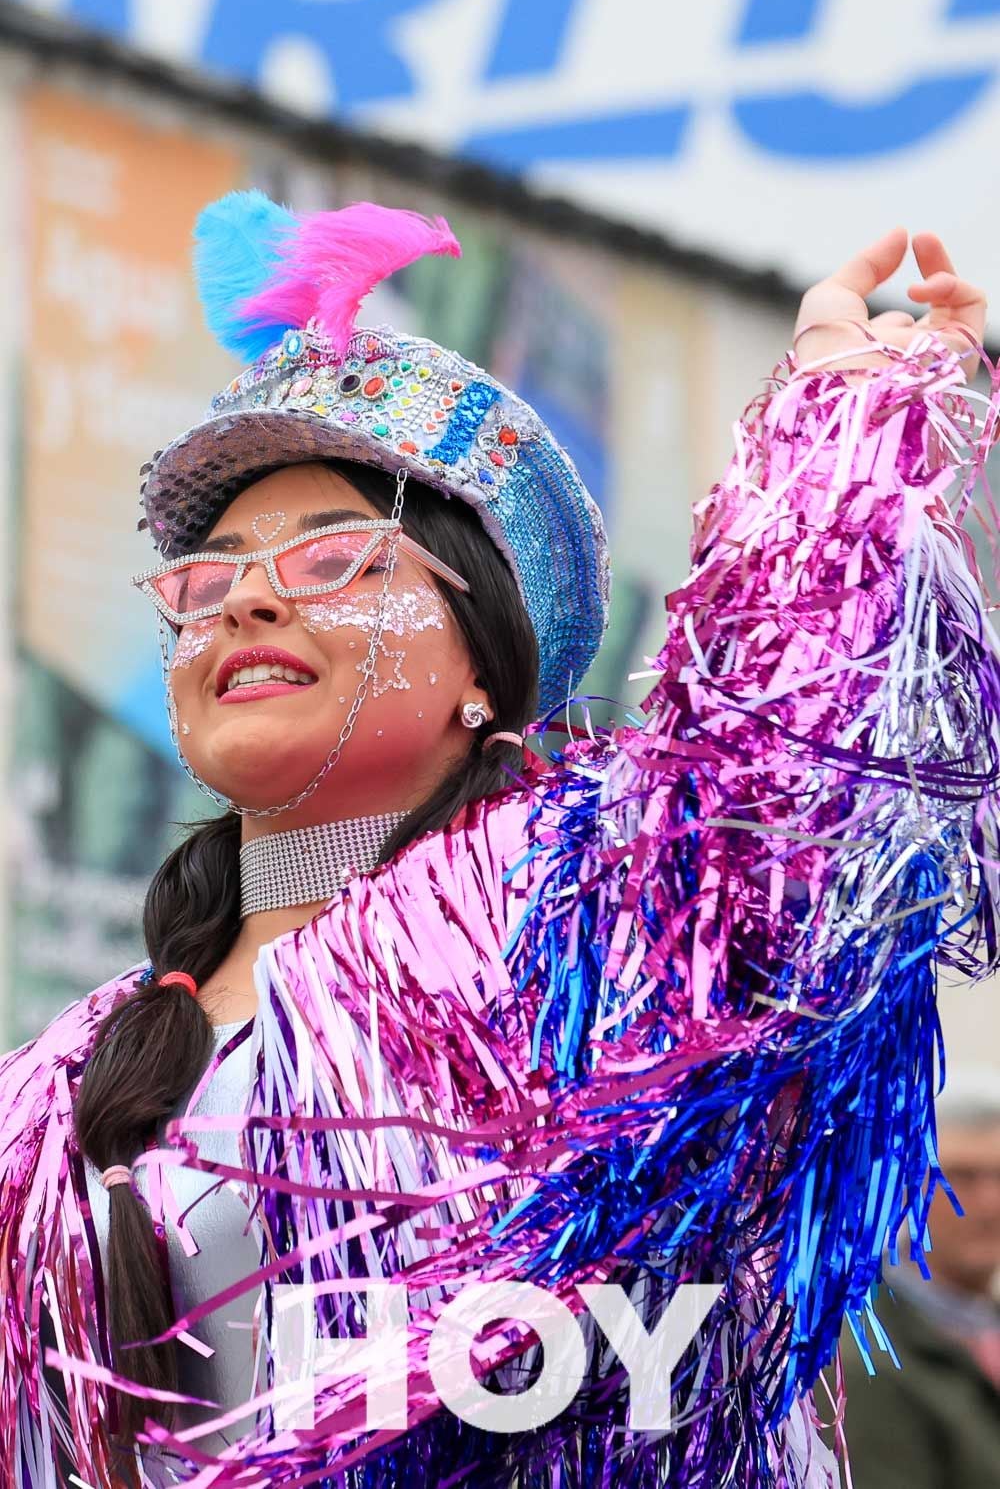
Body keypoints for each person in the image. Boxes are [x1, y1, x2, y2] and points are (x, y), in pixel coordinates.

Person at [0, 191, 997, 1489]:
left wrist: (841, 438)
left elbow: (800, 772)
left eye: (329, 557)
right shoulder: (51, 1092)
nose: (244, 595)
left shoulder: (615, 935)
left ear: (488, 661)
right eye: (206, 576)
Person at [836, 1066, 1000, 1487]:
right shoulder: (866, 1357)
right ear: (908, 1188)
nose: (989, 1202)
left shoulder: (984, 1326)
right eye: (960, 1177)